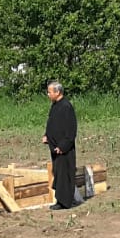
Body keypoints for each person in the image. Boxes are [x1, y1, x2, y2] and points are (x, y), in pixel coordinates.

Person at [42, 82, 78, 210]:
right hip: (54, 147)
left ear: (57, 92)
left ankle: (64, 202)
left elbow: (71, 130)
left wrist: (63, 146)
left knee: (64, 174)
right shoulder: (55, 106)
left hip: (63, 149)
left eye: (50, 92)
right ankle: (60, 199)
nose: (48, 94)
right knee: (58, 173)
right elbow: (52, 123)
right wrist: (47, 135)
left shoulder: (66, 106)